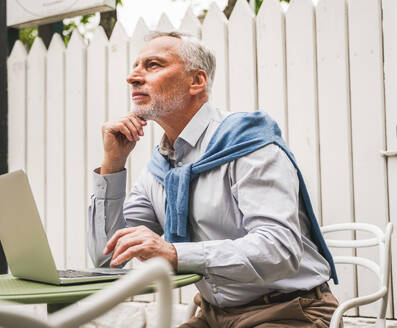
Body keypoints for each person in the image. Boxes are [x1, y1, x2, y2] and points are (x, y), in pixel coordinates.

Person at [87, 31, 341, 327]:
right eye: (135, 67)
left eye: (153, 65)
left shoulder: (248, 145)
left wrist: (173, 252)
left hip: (289, 309)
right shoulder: (160, 168)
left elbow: (278, 249)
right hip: (212, 314)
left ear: (197, 81)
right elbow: (106, 257)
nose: (133, 77)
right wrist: (113, 164)